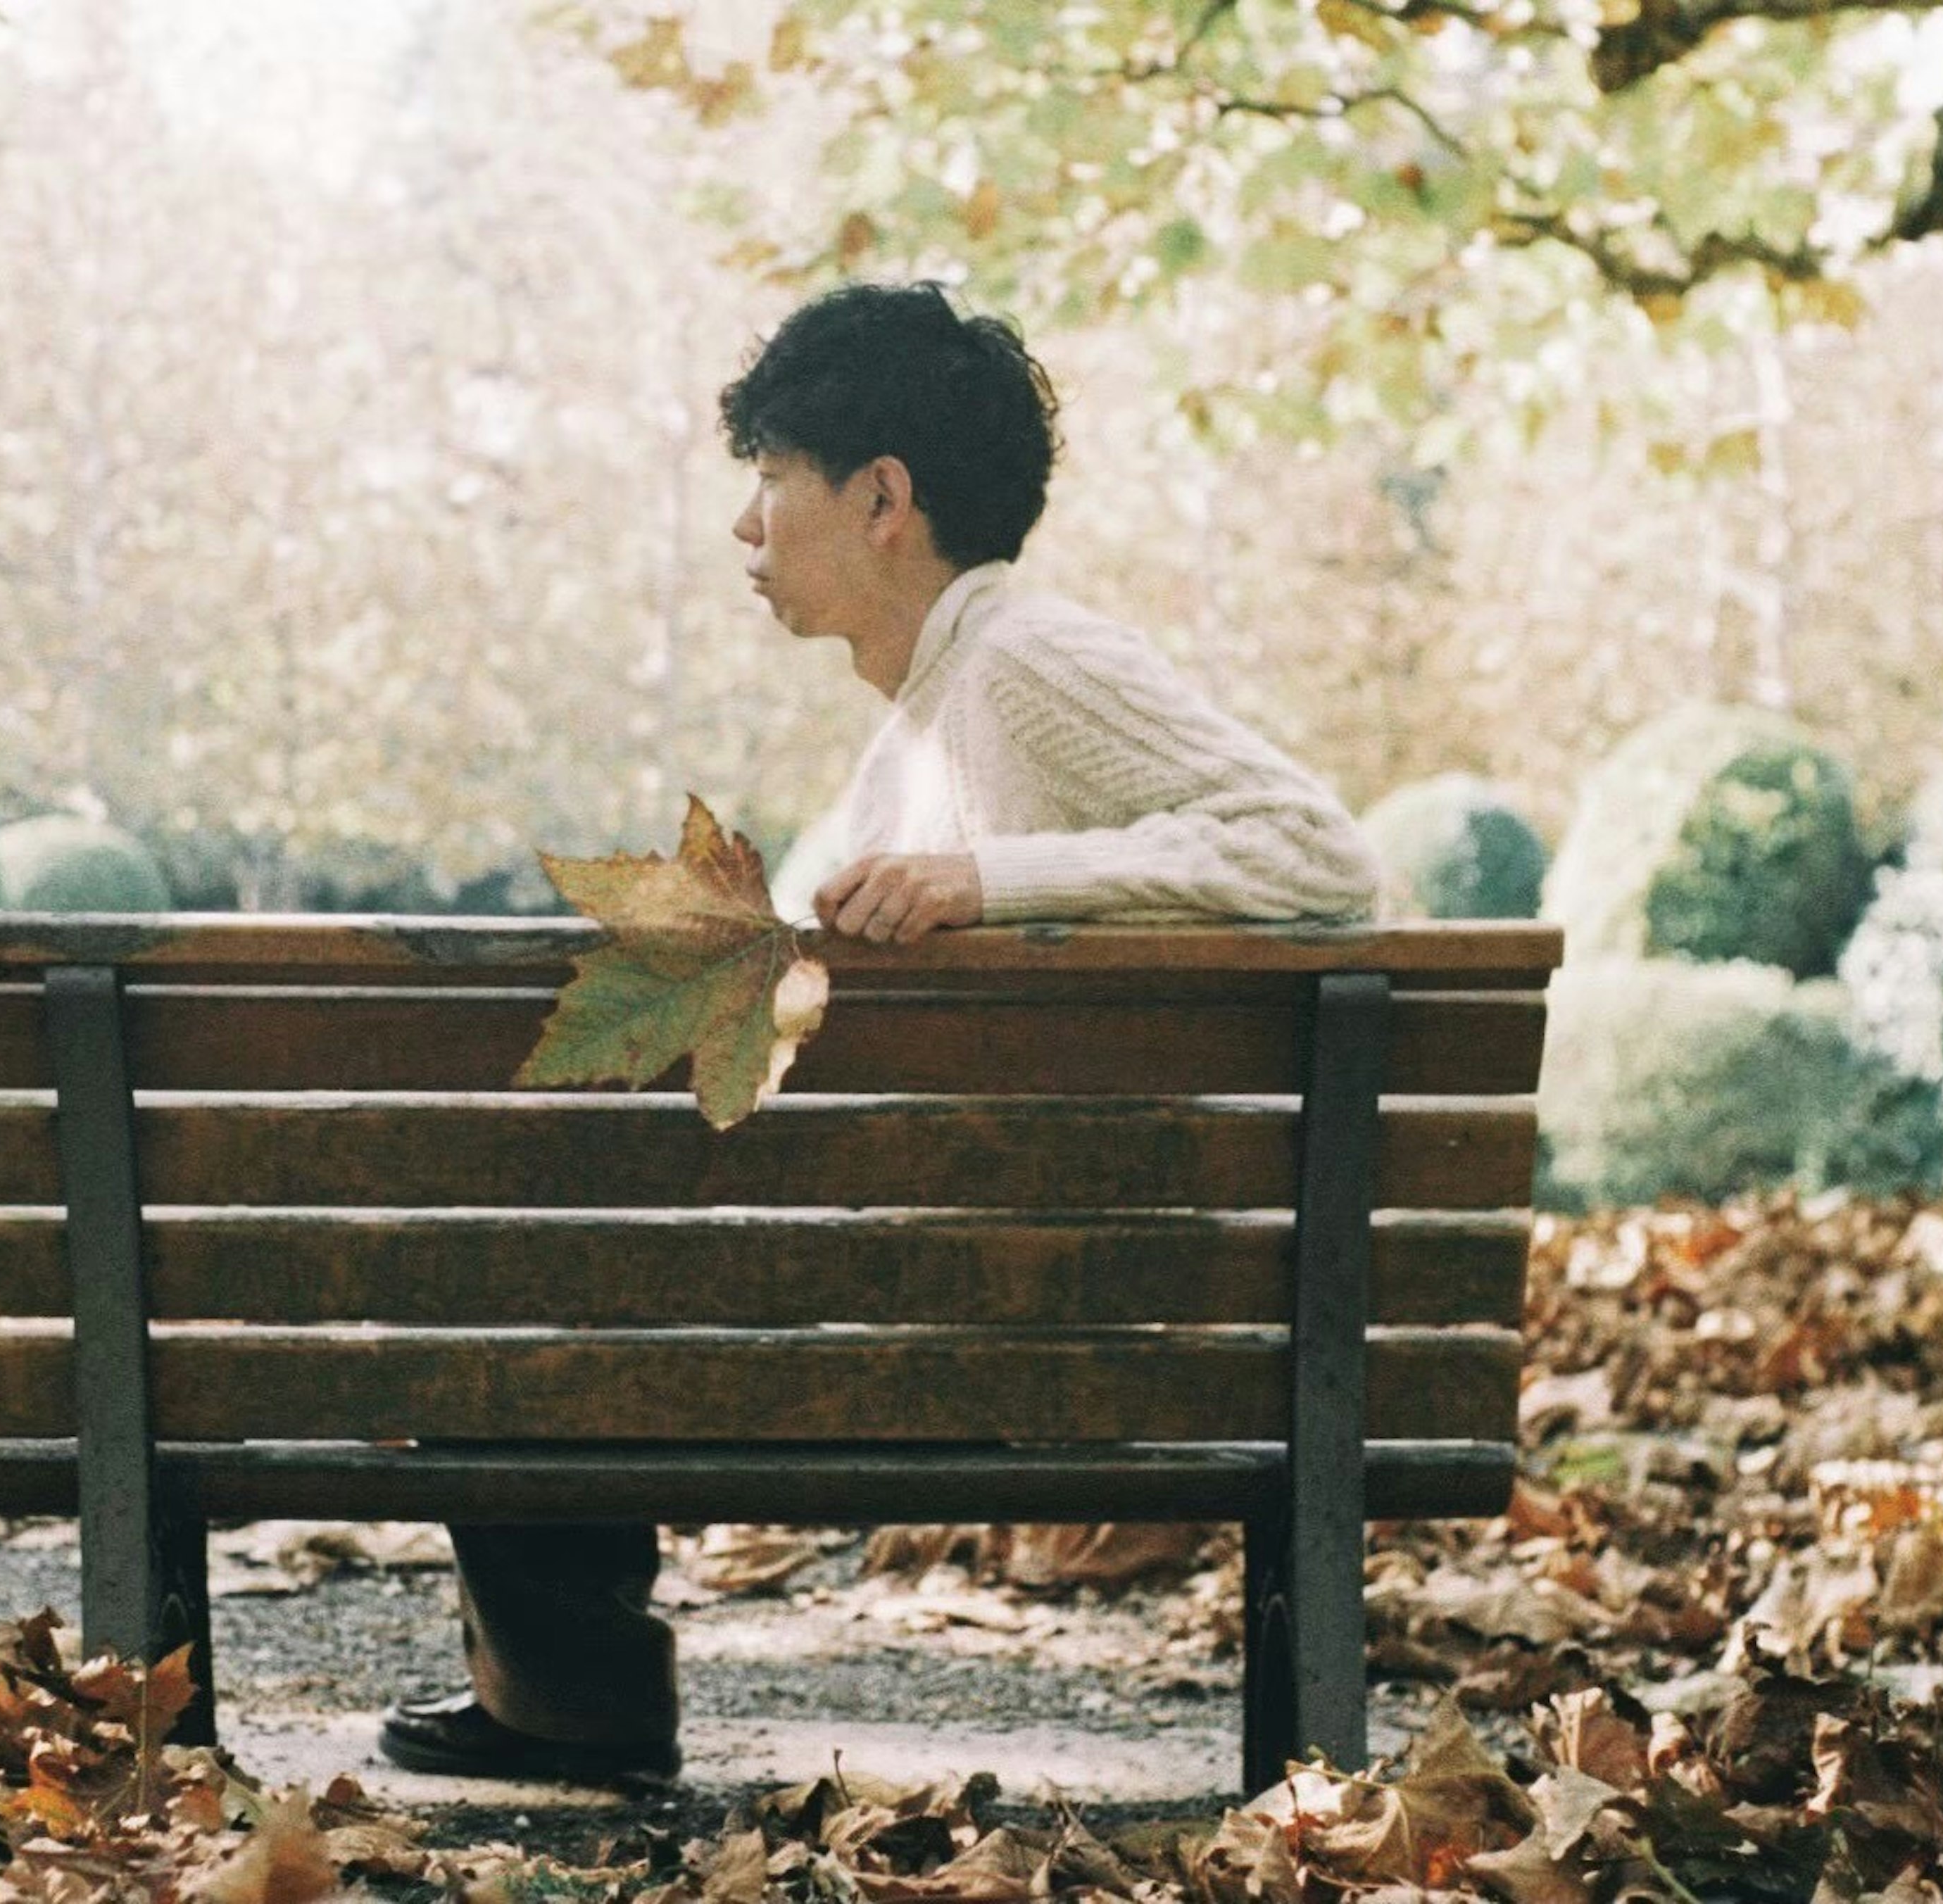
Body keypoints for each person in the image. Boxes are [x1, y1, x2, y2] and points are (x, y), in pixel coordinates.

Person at [375, 282, 1381, 1784]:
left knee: (490, 1236)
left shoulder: (1026, 660)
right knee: (534, 1216)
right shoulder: (931, 705)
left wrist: (991, 880)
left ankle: (567, 1692)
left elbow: (1324, 860)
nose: (747, 530)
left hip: (986, 1317)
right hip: (967, 1300)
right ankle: (566, 1688)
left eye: (771, 481)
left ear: (885, 496)